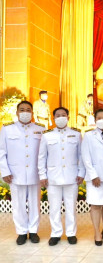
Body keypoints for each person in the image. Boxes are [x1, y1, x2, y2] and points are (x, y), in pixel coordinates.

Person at [38, 107, 85, 246]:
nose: (60, 117)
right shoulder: (47, 135)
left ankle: (71, 233)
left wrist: (81, 173)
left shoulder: (76, 134)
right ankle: (56, 233)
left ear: (68, 117)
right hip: (53, 178)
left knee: (71, 207)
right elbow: (42, 157)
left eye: (63, 115)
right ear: (53, 118)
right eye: (57, 115)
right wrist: (42, 175)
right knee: (54, 208)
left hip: (72, 177)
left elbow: (81, 155)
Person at [0, 101, 45, 245]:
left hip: (35, 172)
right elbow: (2, 152)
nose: (25, 112)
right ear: (17, 112)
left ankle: (33, 231)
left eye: (28, 110)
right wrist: (5, 171)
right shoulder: (7, 129)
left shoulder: (40, 129)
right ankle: (21, 231)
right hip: (15, 173)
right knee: (18, 204)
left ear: (32, 112)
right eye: (22, 110)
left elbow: (44, 153)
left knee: (34, 203)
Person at [81, 109, 103, 246]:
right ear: (95, 120)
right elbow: (86, 157)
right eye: (99, 117)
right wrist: (93, 175)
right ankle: (97, 232)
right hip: (94, 177)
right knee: (95, 205)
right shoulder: (89, 136)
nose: (102, 120)